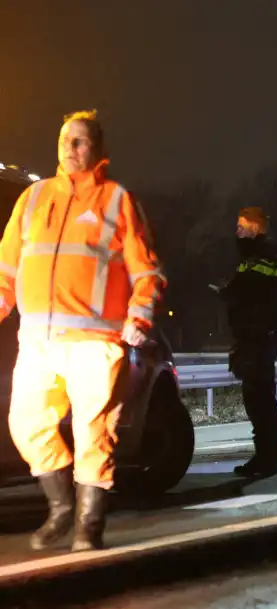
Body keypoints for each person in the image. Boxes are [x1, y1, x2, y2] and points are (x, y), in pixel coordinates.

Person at [0, 110, 165, 551]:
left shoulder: (115, 200)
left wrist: (138, 318)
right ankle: (61, 508)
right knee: (26, 424)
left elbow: (147, 272)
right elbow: (5, 273)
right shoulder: (33, 199)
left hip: (95, 342)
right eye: (64, 140)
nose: (70, 149)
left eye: (79, 141)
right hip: (38, 343)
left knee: (94, 432)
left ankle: (88, 529)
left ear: (98, 150)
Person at [222, 206, 277, 477]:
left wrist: (233, 296)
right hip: (256, 335)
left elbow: (262, 296)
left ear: (254, 229)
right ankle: (268, 456)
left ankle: (269, 457)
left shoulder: (264, 258)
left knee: (259, 398)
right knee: (258, 397)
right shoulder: (259, 258)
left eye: (241, 227)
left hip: (259, 336)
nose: (236, 232)